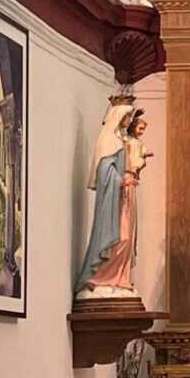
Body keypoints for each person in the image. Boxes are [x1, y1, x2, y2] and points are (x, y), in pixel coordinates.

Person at [77, 97, 149, 296]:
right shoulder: (108, 139)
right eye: (127, 116)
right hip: (115, 197)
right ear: (118, 116)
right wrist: (121, 180)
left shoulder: (121, 139)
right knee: (120, 238)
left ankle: (120, 279)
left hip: (126, 194)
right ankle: (102, 278)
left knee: (129, 237)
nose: (129, 120)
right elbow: (104, 172)